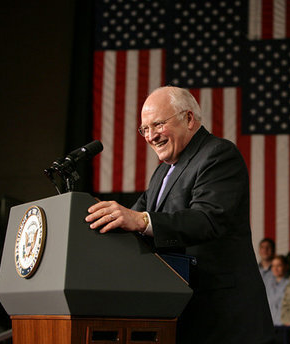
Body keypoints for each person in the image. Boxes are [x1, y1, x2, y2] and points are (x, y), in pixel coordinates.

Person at [85, 86, 274, 343]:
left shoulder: (218, 154)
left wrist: (139, 220)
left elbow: (207, 219)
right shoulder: (162, 173)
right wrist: (95, 216)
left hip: (223, 316)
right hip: (182, 313)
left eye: (158, 124)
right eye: (145, 129)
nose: (151, 136)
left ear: (189, 119)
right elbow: (134, 217)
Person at [266, 255, 289, 326]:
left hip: (283, 326)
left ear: (286, 266)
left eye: (278, 265)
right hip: (269, 325)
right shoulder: (268, 284)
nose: (275, 269)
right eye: (273, 266)